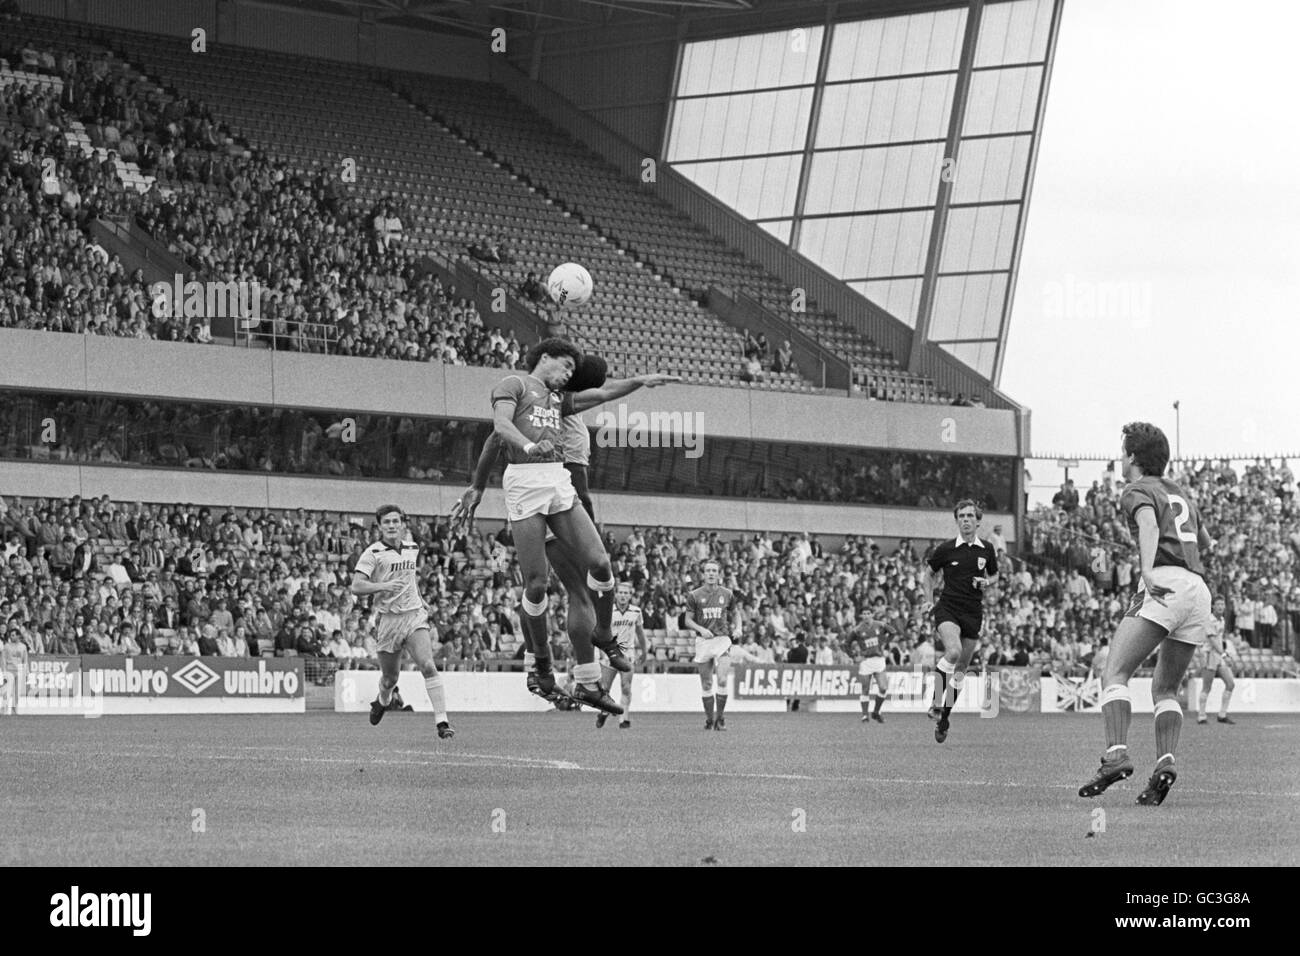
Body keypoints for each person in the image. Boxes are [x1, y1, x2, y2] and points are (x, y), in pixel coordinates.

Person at [487, 338, 672, 712]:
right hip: (524, 481)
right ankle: (541, 663)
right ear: (545, 358)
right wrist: (526, 447)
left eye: (574, 369)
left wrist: (640, 380)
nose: (570, 374)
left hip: (556, 480)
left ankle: (603, 634)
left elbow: (603, 394)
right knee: (536, 584)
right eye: (567, 366)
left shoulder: (559, 402)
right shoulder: (515, 384)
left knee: (601, 564)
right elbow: (500, 425)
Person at [1078, 422, 1214, 806]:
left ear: (1134, 458)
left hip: (1166, 581)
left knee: (1115, 671)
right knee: (1165, 688)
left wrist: (1148, 568)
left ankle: (1116, 755)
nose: (1121, 459)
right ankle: (1165, 764)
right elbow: (1205, 541)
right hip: (1197, 590)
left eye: (1123, 453)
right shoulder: (1179, 492)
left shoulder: (1137, 489)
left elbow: (1148, 523)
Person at [350, 505, 453, 739]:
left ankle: (442, 722)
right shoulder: (372, 553)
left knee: (427, 665)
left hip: (413, 615)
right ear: (379, 526)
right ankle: (382, 701)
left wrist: (420, 598)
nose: (392, 526)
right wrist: (382, 586)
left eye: (395, 521)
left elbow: (410, 579)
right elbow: (356, 586)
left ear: (402, 524)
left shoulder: (411, 547)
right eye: (386, 522)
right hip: (388, 621)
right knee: (390, 678)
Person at [919, 501, 999, 743]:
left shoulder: (986, 549)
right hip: (948, 608)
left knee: (961, 671)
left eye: (970, 516)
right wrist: (927, 599)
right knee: (952, 652)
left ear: (977, 521)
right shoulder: (946, 549)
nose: (965, 519)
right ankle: (935, 702)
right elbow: (929, 574)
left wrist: (988, 583)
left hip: (973, 612)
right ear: (957, 521)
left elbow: (995, 574)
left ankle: (944, 718)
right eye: (961, 516)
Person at [684, 560, 740, 731]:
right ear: (703, 573)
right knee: (707, 684)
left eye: (714, 570)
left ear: (719, 574)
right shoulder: (694, 595)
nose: (711, 573)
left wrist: (738, 628)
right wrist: (701, 629)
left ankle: (720, 718)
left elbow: (736, 613)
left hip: (722, 639)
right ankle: (710, 719)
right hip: (703, 641)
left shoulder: (727, 594)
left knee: (722, 679)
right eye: (708, 570)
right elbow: (687, 620)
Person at [595, 582, 647, 730]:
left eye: (626, 593)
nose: (623, 596)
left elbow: (640, 633)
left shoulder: (636, 612)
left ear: (630, 595)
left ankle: (624, 719)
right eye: (621, 593)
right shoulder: (607, 611)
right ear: (616, 594)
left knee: (626, 687)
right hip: (610, 654)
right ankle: (604, 712)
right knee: (605, 688)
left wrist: (644, 651)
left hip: (627, 655)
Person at [1195, 596, 1237, 725]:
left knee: (1230, 683)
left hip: (1218, 655)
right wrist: (1224, 654)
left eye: (1222, 604)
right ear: (1213, 606)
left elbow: (1219, 640)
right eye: (1218, 604)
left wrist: (1223, 654)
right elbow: (1212, 641)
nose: (1220, 607)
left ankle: (1222, 715)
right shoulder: (1209, 620)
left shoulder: (1222, 620)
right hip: (1209, 655)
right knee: (1207, 687)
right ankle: (1201, 715)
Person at [853, 610, 897, 724]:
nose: (866, 615)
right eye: (864, 613)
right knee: (865, 689)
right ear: (861, 615)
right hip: (866, 661)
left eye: (868, 613)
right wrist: (853, 656)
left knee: (883, 688)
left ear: (872, 614)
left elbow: (893, 632)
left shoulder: (880, 625)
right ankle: (864, 715)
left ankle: (876, 712)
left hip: (879, 660)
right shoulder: (858, 629)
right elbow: (845, 643)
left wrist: (885, 644)